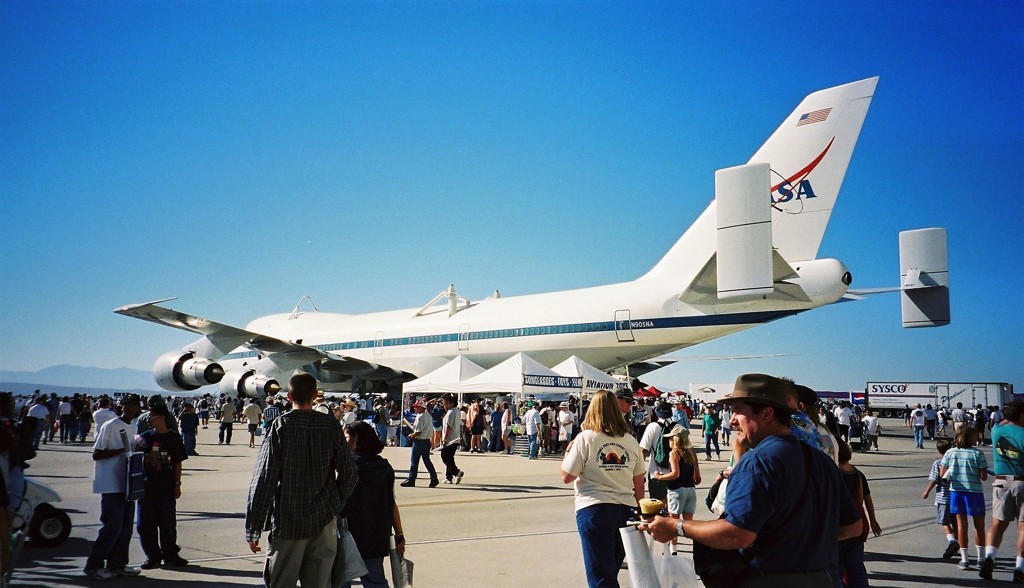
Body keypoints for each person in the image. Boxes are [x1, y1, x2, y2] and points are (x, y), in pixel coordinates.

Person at [642, 374, 862, 586]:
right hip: (820, 579)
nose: (732, 421)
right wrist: (804, 543)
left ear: (766, 414)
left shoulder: (757, 463)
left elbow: (737, 535)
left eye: (738, 411)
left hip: (769, 580)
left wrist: (677, 526)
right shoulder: (821, 461)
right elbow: (853, 527)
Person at [245, 373, 358, 588]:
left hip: (289, 521)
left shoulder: (281, 426)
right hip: (324, 521)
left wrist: (254, 526)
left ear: (288, 396)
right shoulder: (331, 426)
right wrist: (334, 505)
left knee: (282, 582)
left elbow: (264, 479)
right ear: (315, 395)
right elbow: (349, 473)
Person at [560, 390, 645, 588]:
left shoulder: (585, 438)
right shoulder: (630, 441)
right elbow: (638, 482)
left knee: (600, 576)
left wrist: (568, 451)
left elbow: (567, 476)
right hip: (627, 510)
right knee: (610, 571)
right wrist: (640, 512)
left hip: (594, 509)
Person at [84, 395, 144, 581]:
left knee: (126, 527)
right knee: (112, 526)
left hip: (127, 484)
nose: (130, 408)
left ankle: (118, 564)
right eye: (127, 405)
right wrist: (122, 451)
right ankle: (94, 566)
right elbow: (97, 454)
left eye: (134, 405)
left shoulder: (134, 426)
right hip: (111, 483)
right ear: (121, 407)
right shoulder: (110, 425)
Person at [340, 422, 405, 588]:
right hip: (376, 534)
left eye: (346, 436)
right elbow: (391, 503)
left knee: (340, 580)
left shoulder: (345, 467)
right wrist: (399, 534)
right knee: (375, 580)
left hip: (347, 533)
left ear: (356, 439)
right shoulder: (385, 467)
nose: (342, 440)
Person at [135, 404, 189, 569]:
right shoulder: (144, 437)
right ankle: (152, 556)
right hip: (146, 487)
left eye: (151, 417)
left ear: (162, 418)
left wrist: (177, 484)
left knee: (167, 524)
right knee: (145, 525)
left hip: (166, 487)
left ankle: (170, 555)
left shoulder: (173, 438)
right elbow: (134, 453)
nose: (148, 419)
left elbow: (178, 462)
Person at [980, 401, 1024, 581]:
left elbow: (1001, 422)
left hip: (1000, 483)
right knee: (1023, 527)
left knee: (997, 524)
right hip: (1022, 482)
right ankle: (1020, 568)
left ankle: (990, 557)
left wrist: (1009, 417)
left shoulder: (997, 431)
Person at [941, 425, 988, 570]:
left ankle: (965, 559)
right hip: (974, 493)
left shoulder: (950, 452)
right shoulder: (977, 453)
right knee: (979, 527)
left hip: (957, 492)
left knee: (961, 526)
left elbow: (942, 473)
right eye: (974, 436)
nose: (976, 438)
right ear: (969, 437)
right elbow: (983, 476)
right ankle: (981, 559)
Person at [652, 427, 700, 554]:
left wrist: (659, 476)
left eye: (670, 438)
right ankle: (696, 550)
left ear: (676, 439)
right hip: (690, 489)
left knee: (674, 523)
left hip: (677, 489)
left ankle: (673, 549)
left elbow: (675, 474)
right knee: (689, 524)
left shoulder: (674, 453)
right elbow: (697, 475)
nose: (669, 440)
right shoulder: (690, 452)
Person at [922, 440, 961, 560]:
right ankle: (957, 545)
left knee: (944, 522)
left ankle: (952, 541)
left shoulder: (939, 463)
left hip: (943, 498)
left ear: (939, 451)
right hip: (957, 496)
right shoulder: (956, 462)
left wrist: (927, 491)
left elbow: (934, 479)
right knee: (956, 523)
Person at [639, 402, 678, 502]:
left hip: (656, 472)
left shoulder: (652, 427)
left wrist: (639, 472)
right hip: (675, 473)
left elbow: (643, 450)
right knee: (673, 508)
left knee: (657, 506)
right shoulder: (678, 427)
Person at [400, 400, 439, 488]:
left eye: (416, 407)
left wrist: (411, 435)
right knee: (427, 461)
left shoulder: (420, 417)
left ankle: (411, 479)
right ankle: (434, 477)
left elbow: (418, 431)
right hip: (427, 441)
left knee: (414, 461)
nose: (415, 408)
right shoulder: (428, 416)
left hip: (419, 441)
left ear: (422, 408)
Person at [439, 394, 465, 485]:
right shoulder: (455, 411)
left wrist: (445, 439)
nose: (445, 405)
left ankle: (456, 472)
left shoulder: (450, 413)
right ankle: (448, 477)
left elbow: (448, 427)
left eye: (446, 403)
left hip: (450, 439)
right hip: (455, 438)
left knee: (445, 456)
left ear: (451, 403)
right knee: (450, 458)